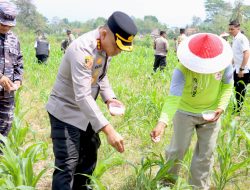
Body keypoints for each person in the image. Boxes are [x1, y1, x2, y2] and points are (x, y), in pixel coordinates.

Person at [46, 11, 137, 190]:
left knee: (88, 157)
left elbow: (100, 76)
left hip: (86, 112)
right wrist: (109, 130)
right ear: (104, 34)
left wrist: (110, 98)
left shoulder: (105, 47)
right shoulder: (83, 50)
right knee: (67, 165)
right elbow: (82, 95)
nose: (118, 52)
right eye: (117, 46)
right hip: (66, 112)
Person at [150, 33, 233, 189]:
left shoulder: (224, 65)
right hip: (185, 113)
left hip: (211, 115)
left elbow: (227, 86)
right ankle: (166, 183)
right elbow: (173, 98)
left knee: (206, 154)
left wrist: (221, 107)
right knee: (177, 150)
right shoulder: (182, 70)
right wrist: (162, 123)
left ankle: (199, 186)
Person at [0, 1, 23, 137]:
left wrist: (18, 80)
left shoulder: (14, 39)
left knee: (5, 127)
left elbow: (19, 62)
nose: (6, 27)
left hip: (7, 95)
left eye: (9, 25)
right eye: (2, 24)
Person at [228, 20, 250, 113]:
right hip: (236, 68)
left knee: (240, 91)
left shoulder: (241, 38)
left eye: (232, 29)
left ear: (238, 28)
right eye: (229, 29)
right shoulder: (235, 38)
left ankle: (237, 111)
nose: (230, 31)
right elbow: (236, 55)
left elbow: (247, 53)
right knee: (234, 88)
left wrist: (242, 69)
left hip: (243, 70)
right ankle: (236, 109)